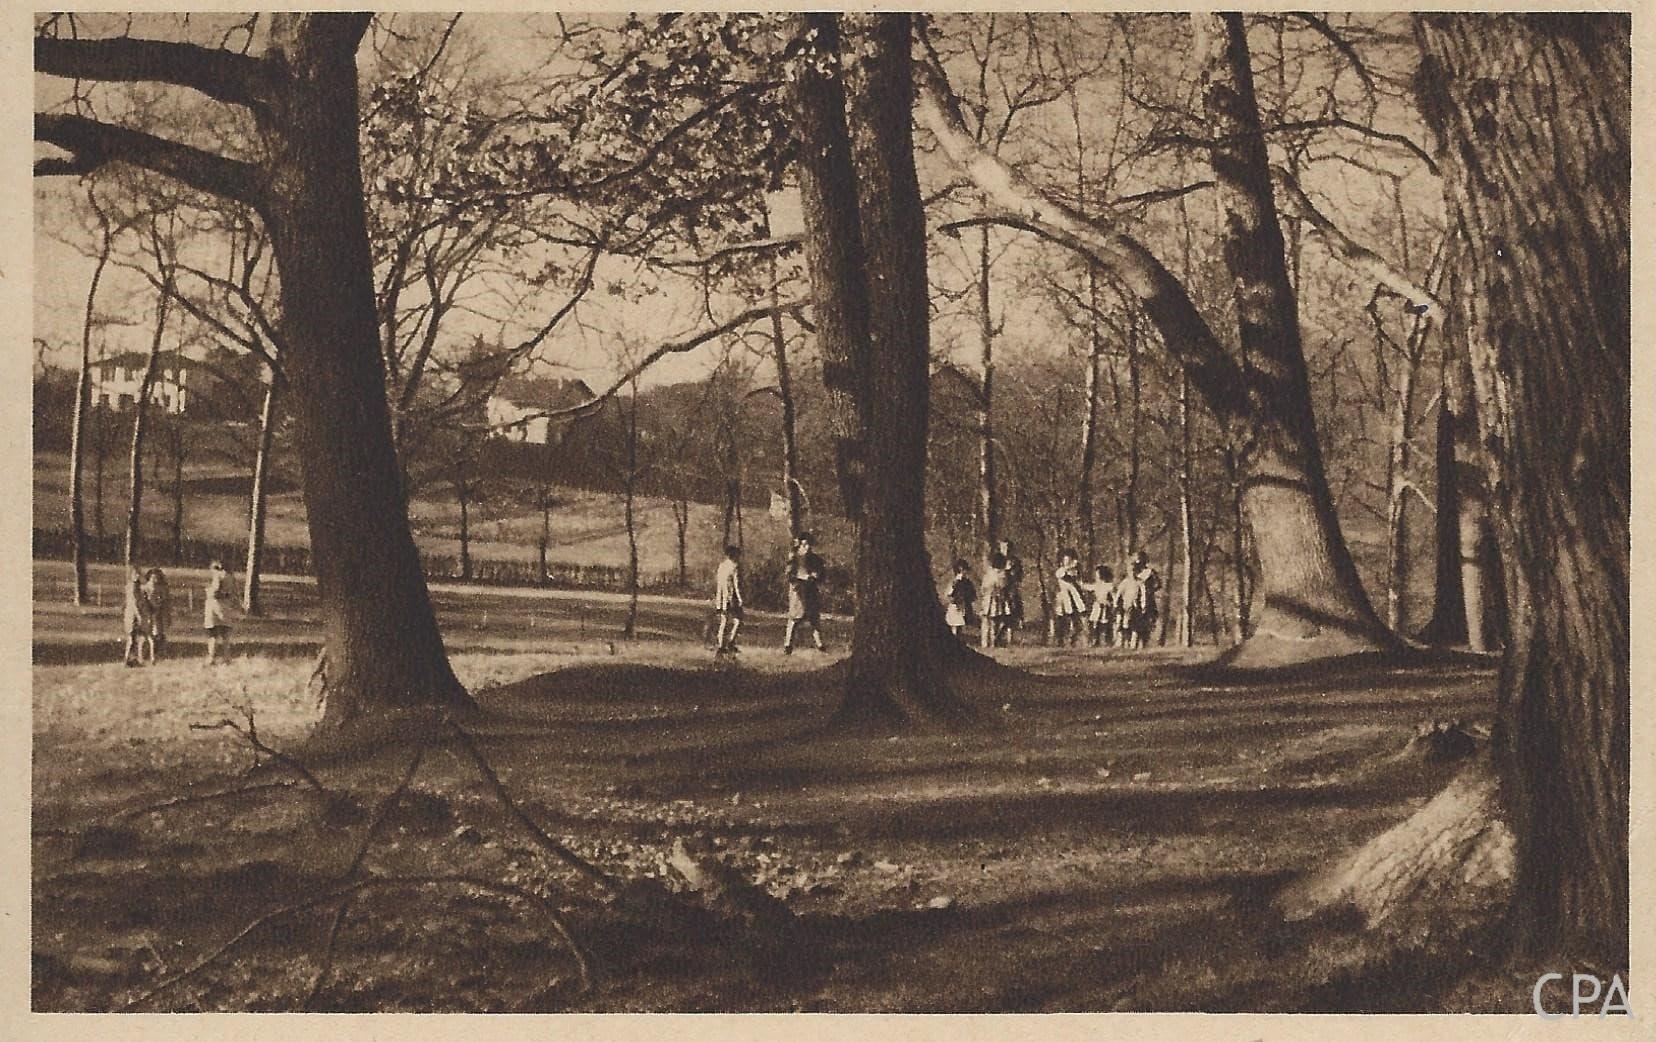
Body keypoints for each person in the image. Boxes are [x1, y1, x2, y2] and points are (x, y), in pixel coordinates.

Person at [782, 532, 827, 653]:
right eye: (805, 544)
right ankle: (788, 645)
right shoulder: (793, 559)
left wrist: (816, 576)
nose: (808, 547)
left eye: (809, 544)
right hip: (798, 593)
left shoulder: (815, 559)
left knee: (814, 619)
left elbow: (822, 575)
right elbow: (789, 576)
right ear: (800, 545)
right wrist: (801, 578)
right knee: (795, 618)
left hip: (811, 591)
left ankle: (820, 646)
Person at [1051, 549, 1088, 647]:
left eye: (1069, 560)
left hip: (1074, 597)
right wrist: (1070, 567)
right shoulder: (1061, 571)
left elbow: (1079, 583)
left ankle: (1077, 639)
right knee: (1063, 618)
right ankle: (1061, 640)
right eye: (1065, 560)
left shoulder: (1075, 572)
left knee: (1077, 617)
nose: (1067, 562)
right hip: (1064, 598)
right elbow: (1061, 574)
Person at [712, 544, 744, 656]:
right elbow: (736, 584)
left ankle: (721, 646)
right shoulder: (735, 567)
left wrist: (718, 599)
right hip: (732, 597)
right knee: (738, 620)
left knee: (724, 621)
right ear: (734, 555)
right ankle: (731, 642)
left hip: (722, 597)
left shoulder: (722, 566)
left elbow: (719, 583)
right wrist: (740, 598)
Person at [980, 551, 1014, 649]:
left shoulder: (988, 573)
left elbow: (983, 587)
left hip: (987, 600)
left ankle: (985, 643)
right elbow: (1003, 586)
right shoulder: (1001, 575)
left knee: (986, 622)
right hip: (995, 600)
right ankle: (992, 643)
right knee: (994, 622)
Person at [203, 561, 234, 665]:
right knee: (225, 635)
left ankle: (211, 658)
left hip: (215, 608)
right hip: (226, 608)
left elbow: (216, 592)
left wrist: (208, 591)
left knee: (213, 635)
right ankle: (227, 658)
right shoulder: (230, 577)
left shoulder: (217, 576)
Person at [121, 567, 152, 667]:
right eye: (135, 574)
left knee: (135, 638)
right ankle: (128, 659)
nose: (137, 576)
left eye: (138, 574)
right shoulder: (132, 587)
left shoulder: (136, 586)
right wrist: (139, 616)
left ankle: (133, 659)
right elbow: (133, 603)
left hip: (132, 614)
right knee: (132, 638)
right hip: (132, 615)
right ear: (132, 575)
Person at [142, 567, 171, 664]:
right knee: (146, 636)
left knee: (158, 635)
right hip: (147, 613)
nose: (155, 580)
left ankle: (157, 654)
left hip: (158, 614)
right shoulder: (145, 588)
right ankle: (144, 655)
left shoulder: (161, 588)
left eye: (157, 578)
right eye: (153, 578)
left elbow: (165, 601)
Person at [998, 540, 1025, 646]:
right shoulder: (997, 560)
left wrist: (1012, 572)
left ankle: (1010, 639)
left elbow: (1019, 576)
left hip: (1011, 591)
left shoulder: (1015, 561)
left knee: (1012, 614)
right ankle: (997, 638)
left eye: (1008, 548)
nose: (1006, 550)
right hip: (1000, 591)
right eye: (1003, 548)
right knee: (1000, 615)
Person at [1084, 565, 1116, 647]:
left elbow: (1114, 597)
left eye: (1097, 574)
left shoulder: (1108, 586)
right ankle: (1095, 640)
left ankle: (1106, 640)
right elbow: (1087, 587)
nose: (1096, 576)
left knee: (1104, 623)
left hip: (1105, 607)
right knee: (1095, 623)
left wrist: (1111, 604)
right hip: (1097, 606)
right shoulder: (1096, 586)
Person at [944, 558, 977, 639]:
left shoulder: (966, 582)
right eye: (964, 570)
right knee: (955, 625)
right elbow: (949, 594)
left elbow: (972, 594)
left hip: (962, 605)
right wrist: (955, 600)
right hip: (955, 606)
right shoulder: (956, 581)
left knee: (959, 625)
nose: (966, 573)